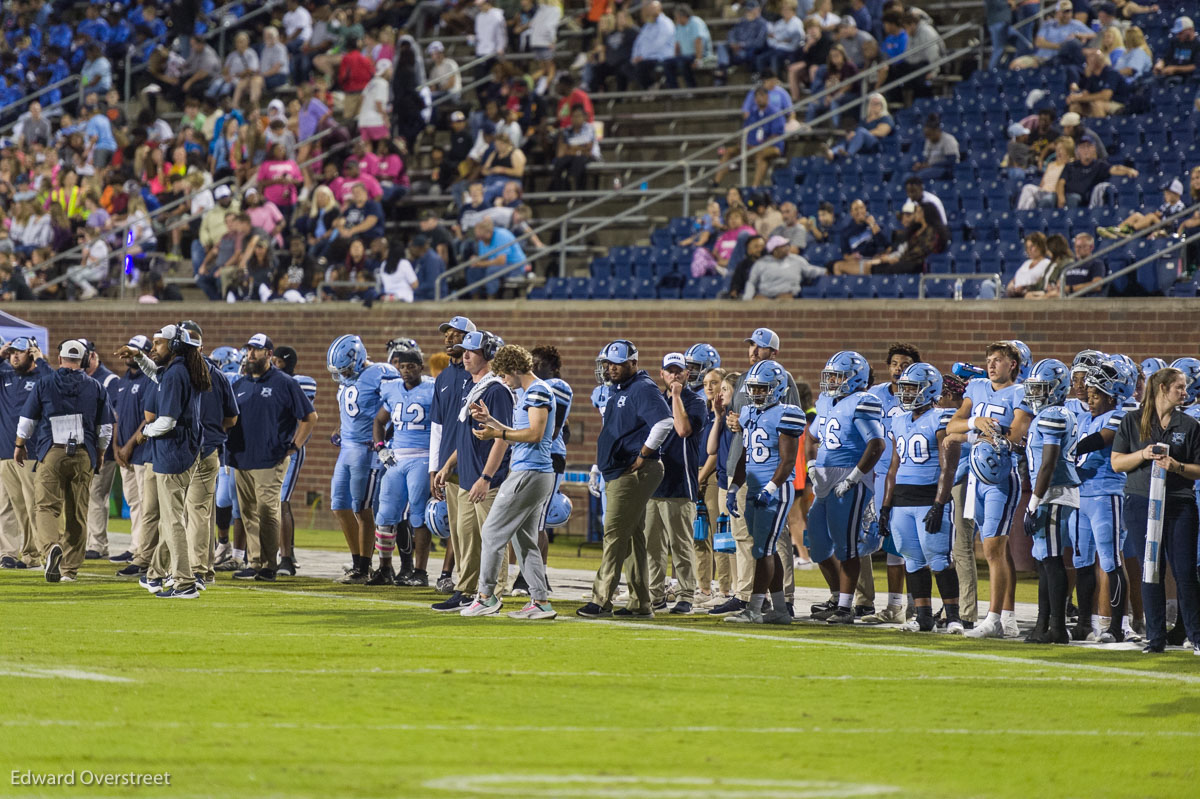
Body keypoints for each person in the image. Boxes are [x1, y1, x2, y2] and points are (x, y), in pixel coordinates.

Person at [460, 344, 559, 619]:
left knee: (491, 532)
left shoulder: (537, 391)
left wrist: (498, 435)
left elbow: (535, 434)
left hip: (529, 472)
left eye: (504, 374)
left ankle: (486, 596)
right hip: (534, 472)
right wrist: (491, 421)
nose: (503, 380)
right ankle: (540, 601)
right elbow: (521, 430)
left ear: (514, 369)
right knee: (524, 540)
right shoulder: (530, 391)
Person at [577, 340, 673, 618]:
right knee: (631, 538)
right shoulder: (620, 389)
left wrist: (644, 453)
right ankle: (641, 602)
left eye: (617, 364)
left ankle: (601, 599)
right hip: (619, 469)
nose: (610, 369)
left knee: (614, 534)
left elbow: (664, 422)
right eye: (607, 363)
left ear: (633, 362)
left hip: (634, 471)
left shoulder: (642, 388)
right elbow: (615, 432)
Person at [945, 342, 1033, 638]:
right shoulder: (978, 387)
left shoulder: (1021, 392)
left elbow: (1018, 432)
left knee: (994, 549)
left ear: (1013, 365)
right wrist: (974, 423)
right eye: (989, 360)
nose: (992, 364)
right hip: (975, 479)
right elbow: (952, 427)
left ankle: (994, 617)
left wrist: (973, 434)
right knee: (990, 548)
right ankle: (1000, 614)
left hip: (1000, 478)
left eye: (999, 360)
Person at [1111, 366, 1200, 654]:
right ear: (1163, 388)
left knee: (1185, 571)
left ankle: (1196, 636)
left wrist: (1177, 467)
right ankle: (1155, 638)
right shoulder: (1133, 420)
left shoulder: (1189, 425)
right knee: (1151, 570)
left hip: (1179, 503)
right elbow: (1116, 463)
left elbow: (1198, 469)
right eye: (1180, 387)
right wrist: (1143, 454)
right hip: (1140, 502)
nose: (1185, 393)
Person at [13, 339, 112, 584]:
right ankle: (69, 570)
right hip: (83, 453)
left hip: (52, 451)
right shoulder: (97, 387)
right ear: (86, 361)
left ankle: (50, 549)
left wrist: (19, 445)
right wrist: (99, 454)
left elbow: (27, 421)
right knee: (77, 513)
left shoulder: (44, 383)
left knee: (46, 507)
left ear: (59, 359)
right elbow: (106, 428)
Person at [123, 325, 209, 598]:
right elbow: (154, 372)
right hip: (183, 450)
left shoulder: (175, 374)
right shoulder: (180, 369)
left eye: (159, 344)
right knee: (170, 520)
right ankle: (156, 574)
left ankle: (184, 582)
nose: (154, 348)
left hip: (173, 452)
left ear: (174, 346)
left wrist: (141, 435)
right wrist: (138, 357)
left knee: (173, 522)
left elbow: (167, 422)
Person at [431, 331, 514, 612]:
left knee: (492, 537)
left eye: (471, 351)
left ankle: (494, 593)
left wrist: (486, 477)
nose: (464, 355)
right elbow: (467, 434)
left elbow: (502, 437)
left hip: (485, 478)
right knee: (465, 537)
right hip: (467, 474)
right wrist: (449, 464)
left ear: (489, 355)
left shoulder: (496, 390)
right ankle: (466, 589)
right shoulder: (474, 387)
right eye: (463, 350)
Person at [880, 363, 963, 633]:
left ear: (930, 389)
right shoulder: (899, 419)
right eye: (904, 388)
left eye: (913, 388)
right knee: (912, 559)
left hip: (929, 497)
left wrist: (940, 503)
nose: (906, 393)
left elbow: (948, 466)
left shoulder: (940, 418)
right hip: (902, 501)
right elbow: (894, 466)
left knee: (939, 558)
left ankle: (953, 617)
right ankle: (923, 616)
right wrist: (885, 506)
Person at [225, 334, 315, 582]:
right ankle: (255, 562)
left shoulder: (284, 383)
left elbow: (309, 417)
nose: (251, 354)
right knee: (248, 512)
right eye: (249, 349)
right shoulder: (239, 385)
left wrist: (295, 445)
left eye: (257, 350)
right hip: (242, 458)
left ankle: (269, 564)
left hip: (270, 459)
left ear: (269, 354)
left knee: (267, 511)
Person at [805, 351, 886, 624]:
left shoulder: (863, 401)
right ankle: (836, 595)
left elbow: (877, 443)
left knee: (847, 545)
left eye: (837, 376)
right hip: (825, 479)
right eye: (830, 375)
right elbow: (812, 436)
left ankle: (845, 607)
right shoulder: (827, 401)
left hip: (849, 477)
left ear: (855, 378)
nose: (831, 381)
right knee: (817, 543)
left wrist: (854, 477)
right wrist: (811, 464)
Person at [723, 360, 805, 624]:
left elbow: (788, 460)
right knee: (765, 548)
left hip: (775, 489)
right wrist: (734, 486)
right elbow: (746, 454)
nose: (757, 394)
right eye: (754, 389)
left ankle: (754, 609)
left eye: (762, 389)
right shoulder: (749, 413)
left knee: (762, 550)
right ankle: (780, 610)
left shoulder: (787, 413)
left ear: (777, 388)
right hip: (754, 486)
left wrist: (770, 488)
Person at [1071, 357, 1136, 642]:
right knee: (1082, 562)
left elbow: (1103, 438)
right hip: (1080, 494)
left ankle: (1117, 626)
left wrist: (1070, 447)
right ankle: (1084, 623)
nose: (1090, 398)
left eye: (1097, 394)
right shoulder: (1083, 416)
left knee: (1110, 562)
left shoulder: (1121, 415)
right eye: (1090, 392)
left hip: (1107, 494)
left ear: (1113, 396)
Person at [327, 335, 397, 584]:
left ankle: (365, 566)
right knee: (339, 505)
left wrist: (384, 439)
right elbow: (350, 410)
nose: (342, 374)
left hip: (367, 450)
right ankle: (357, 560)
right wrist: (340, 428)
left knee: (362, 508)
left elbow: (395, 406)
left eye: (345, 368)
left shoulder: (381, 373)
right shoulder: (349, 379)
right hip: (346, 448)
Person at [1021, 359, 1081, 644]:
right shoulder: (1047, 414)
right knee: (1044, 561)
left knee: (1053, 560)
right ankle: (1043, 624)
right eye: (1032, 388)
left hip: (1054, 493)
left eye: (1041, 388)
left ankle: (1057, 627)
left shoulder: (1054, 414)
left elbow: (1048, 464)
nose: (1034, 394)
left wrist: (1033, 503)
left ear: (1057, 389)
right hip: (1048, 493)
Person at [644, 352, 707, 614]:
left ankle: (685, 595)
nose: (674, 375)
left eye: (679, 370)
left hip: (680, 485)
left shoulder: (695, 402)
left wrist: (677, 396)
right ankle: (655, 594)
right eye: (669, 371)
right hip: (653, 484)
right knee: (652, 547)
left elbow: (682, 430)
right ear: (662, 374)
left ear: (687, 373)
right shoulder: (656, 401)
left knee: (681, 545)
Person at [371, 340, 434, 586]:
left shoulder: (433, 388)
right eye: (402, 366)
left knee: (418, 516)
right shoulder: (392, 388)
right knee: (385, 514)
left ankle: (420, 572)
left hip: (422, 456)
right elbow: (379, 421)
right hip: (396, 458)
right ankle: (385, 568)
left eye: (411, 366)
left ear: (420, 367)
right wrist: (380, 448)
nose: (405, 370)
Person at [428, 316, 476, 593]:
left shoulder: (479, 375)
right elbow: (437, 426)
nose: (448, 339)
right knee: (456, 526)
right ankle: (458, 577)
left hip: (475, 461)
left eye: (455, 334)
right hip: (449, 463)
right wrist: (434, 467)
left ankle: (482, 583)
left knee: (475, 527)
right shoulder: (444, 376)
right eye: (447, 334)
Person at [0, 337, 51, 569]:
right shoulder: (5, 377)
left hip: (31, 453)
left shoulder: (42, 378)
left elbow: (54, 384)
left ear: (31, 354)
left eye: (19, 352)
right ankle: (9, 553)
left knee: (33, 505)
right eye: (11, 353)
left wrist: (42, 362)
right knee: (8, 507)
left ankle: (39, 554)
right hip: (5, 452)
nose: (14, 356)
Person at [108, 336, 153, 567]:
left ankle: (145, 550)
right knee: (134, 503)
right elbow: (117, 417)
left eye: (134, 351)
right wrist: (116, 446)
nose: (128, 355)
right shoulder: (121, 382)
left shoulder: (148, 380)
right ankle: (136, 546)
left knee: (147, 505)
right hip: (125, 454)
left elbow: (147, 420)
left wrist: (128, 446)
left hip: (143, 452)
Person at [712, 87, 785, 188]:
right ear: (754, 99)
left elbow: (776, 135)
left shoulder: (775, 113)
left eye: (762, 95)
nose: (759, 98)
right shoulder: (752, 114)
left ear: (767, 97)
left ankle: (754, 187)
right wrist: (743, 144)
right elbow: (746, 133)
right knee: (729, 151)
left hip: (772, 147)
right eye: (757, 96)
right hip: (752, 148)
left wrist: (758, 146)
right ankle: (715, 182)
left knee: (761, 155)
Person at [1057, 135, 1137, 208]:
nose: (1086, 150)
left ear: (1094, 149)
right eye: (1082, 147)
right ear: (1077, 150)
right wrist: (1061, 197)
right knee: (1049, 199)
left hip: (1085, 201)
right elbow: (1061, 182)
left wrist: (1128, 170)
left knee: (1074, 198)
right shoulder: (1070, 166)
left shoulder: (1099, 165)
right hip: (1066, 196)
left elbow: (1114, 169)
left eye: (1088, 146)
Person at [743, 235, 823, 298]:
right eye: (783, 246)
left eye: (787, 245)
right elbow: (751, 282)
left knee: (784, 299)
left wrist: (828, 270)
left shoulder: (796, 260)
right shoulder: (761, 262)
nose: (787, 247)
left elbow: (811, 270)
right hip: (765, 296)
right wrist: (747, 298)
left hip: (787, 295)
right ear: (775, 250)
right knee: (758, 300)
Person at [826, 93, 894, 159]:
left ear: (882, 105)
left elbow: (881, 132)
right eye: (872, 103)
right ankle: (832, 152)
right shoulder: (864, 120)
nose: (874, 106)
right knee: (848, 137)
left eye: (877, 104)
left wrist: (862, 134)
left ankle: (849, 154)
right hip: (863, 145)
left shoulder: (886, 118)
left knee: (860, 132)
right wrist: (853, 135)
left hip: (878, 145)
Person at [910, 113, 960, 181]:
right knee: (908, 176)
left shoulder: (948, 139)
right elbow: (926, 159)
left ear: (937, 131)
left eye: (929, 134)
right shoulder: (929, 140)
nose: (928, 137)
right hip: (931, 169)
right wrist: (921, 165)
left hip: (947, 169)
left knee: (919, 177)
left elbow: (952, 161)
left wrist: (932, 165)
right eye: (926, 135)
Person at [1006, 232, 1052, 297]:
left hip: (1031, 297)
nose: (1029, 250)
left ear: (1041, 246)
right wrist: (1011, 286)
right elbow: (1015, 279)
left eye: (1032, 246)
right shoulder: (1026, 263)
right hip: (1015, 296)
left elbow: (1042, 283)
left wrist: (1024, 287)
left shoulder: (1046, 263)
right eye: (1027, 247)